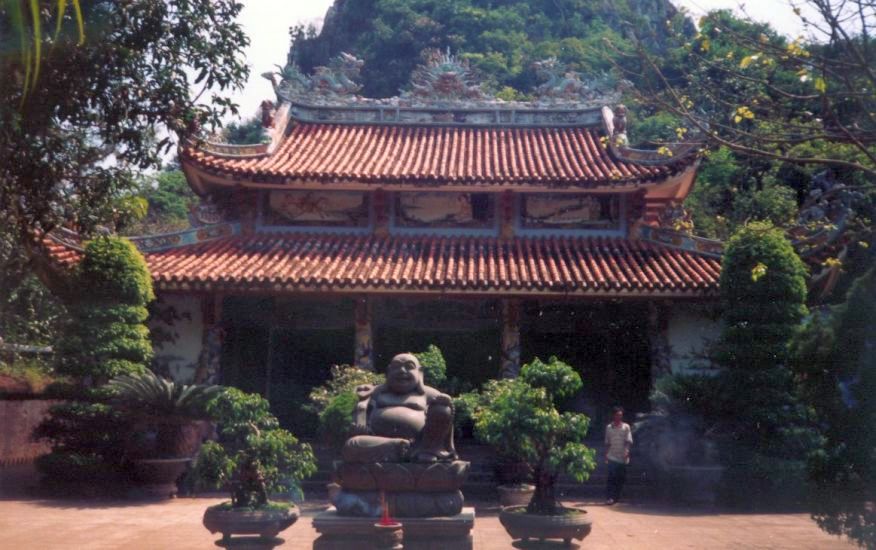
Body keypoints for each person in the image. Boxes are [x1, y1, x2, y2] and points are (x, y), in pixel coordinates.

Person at [604, 406, 633, 505]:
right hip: (612, 455)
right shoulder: (609, 427)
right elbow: (607, 442)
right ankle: (610, 497)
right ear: (613, 415)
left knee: (620, 478)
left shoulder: (626, 427)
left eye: (621, 415)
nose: (619, 417)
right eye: (617, 415)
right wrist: (606, 454)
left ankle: (616, 498)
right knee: (611, 477)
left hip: (622, 457)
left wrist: (627, 451)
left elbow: (628, 441)